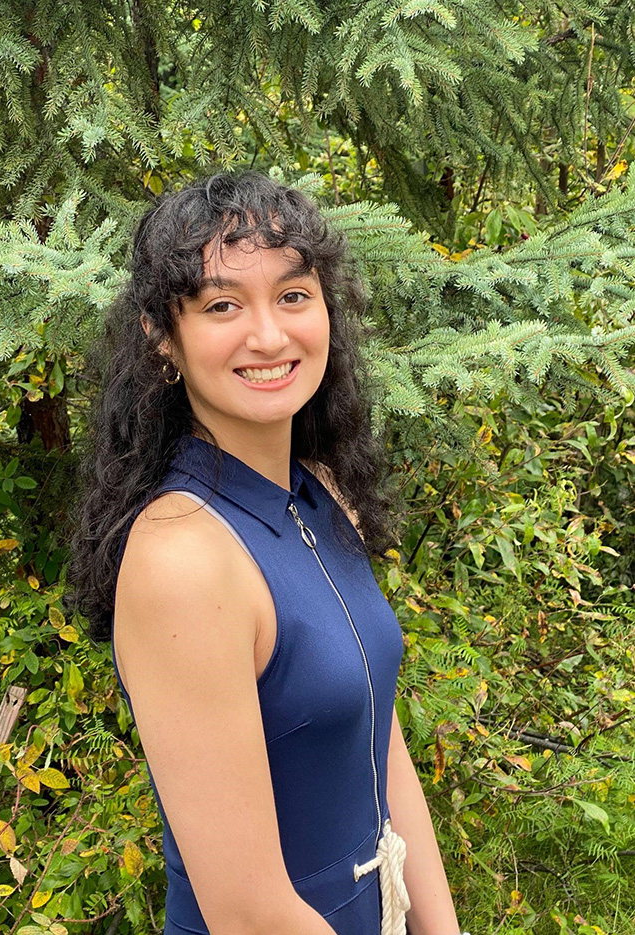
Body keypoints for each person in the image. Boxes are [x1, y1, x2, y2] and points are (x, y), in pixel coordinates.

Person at [67, 171, 469, 935]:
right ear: (163, 341)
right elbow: (250, 912)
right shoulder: (182, 558)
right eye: (223, 305)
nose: (270, 335)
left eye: (293, 295)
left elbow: (375, 734)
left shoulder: (317, 493)